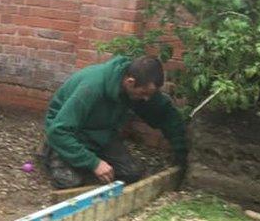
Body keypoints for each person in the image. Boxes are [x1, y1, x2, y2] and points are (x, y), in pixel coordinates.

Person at [42, 56, 188, 188]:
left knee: (132, 173)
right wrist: (94, 163)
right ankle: (52, 152)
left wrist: (181, 154)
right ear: (130, 82)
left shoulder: (140, 87)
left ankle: (85, 159)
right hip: (70, 133)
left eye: (150, 94)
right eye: (144, 93)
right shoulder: (91, 88)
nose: (146, 99)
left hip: (102, 135)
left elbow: (166, 115)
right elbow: (58, 130)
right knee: (69, 182)